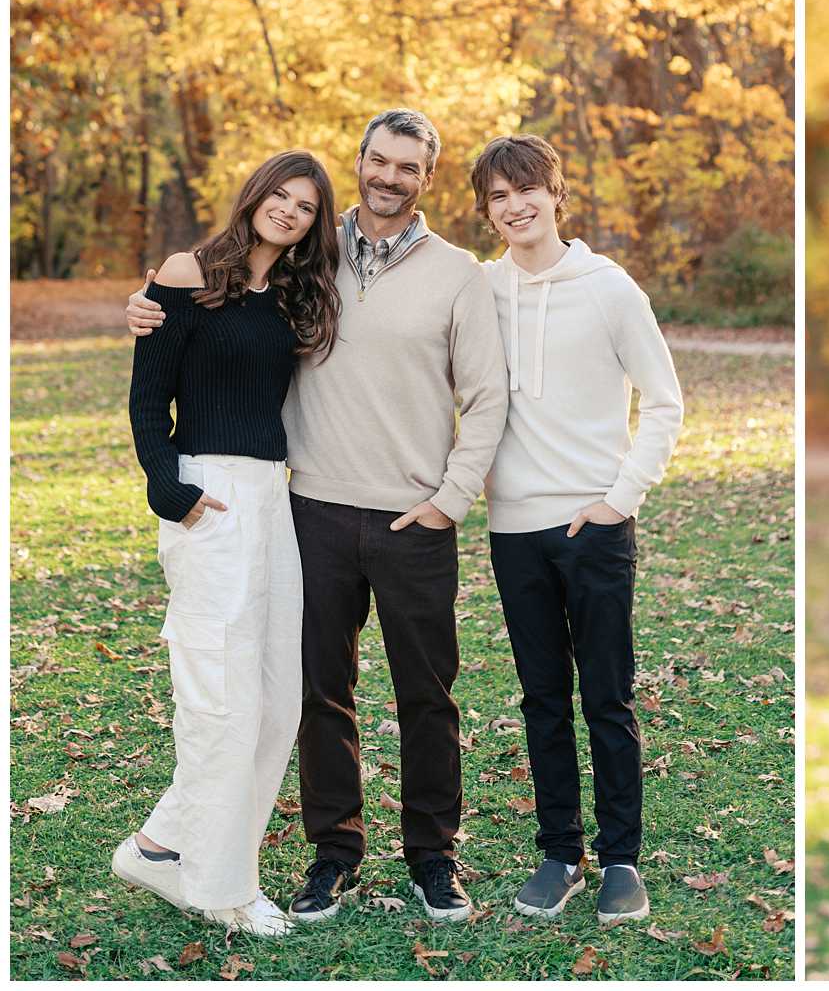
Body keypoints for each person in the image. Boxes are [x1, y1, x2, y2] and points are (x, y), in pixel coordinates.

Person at [125, 109, 509, 925]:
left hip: (414, 517)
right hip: (310, 509)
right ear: (361, 162)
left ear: (426, 179)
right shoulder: (312, 254)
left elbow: (486, 397)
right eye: (378, 160)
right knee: (317, 695)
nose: (390, 176)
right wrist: (151, 303)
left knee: (428, 694)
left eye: (408, 167)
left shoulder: (458, 273)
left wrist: (451, 498)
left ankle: (433, 859)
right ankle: (334, 854)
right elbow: (216, 298)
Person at [119, 149, 341, 936]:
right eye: (278, 195)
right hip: (206, 497)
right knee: (221, 698)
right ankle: (221, 887)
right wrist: (171, 492)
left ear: (317, 222)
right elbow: (148, 399)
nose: (288, 210)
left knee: (276, 700)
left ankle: (158, 846)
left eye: (306, 205)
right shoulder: (185, 274)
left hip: (272, 498)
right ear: (252, 197)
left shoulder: (295, 294)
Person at [466, 134, 683, 925]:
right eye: (496, 195)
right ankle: (559, 853)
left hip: (593, 527)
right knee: (542, 699)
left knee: (607, 699)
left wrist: (620, 499)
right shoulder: (479, 288)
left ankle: (621, 859)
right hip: (512, 530)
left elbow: (664, 400)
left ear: (558, 194)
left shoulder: (608, 287)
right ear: (486, 210)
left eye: (527, 189)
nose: (514, 206)